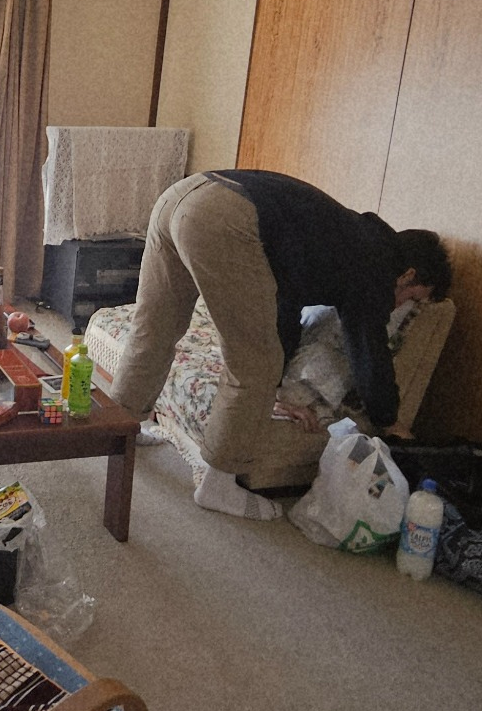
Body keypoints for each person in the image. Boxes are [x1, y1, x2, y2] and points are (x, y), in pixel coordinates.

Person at [109, 169, 451, 520]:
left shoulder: (349, 238)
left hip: (181, 196)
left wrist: (278, 389)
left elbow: (281, 305)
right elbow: (368, 348)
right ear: (408, 274)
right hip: (221, 216)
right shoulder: (376, 268)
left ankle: (118, 431)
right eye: (414, 297)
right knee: (255, 363)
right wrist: (389, 419)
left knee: (154, 328)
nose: (403, 306)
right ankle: (218, 484)